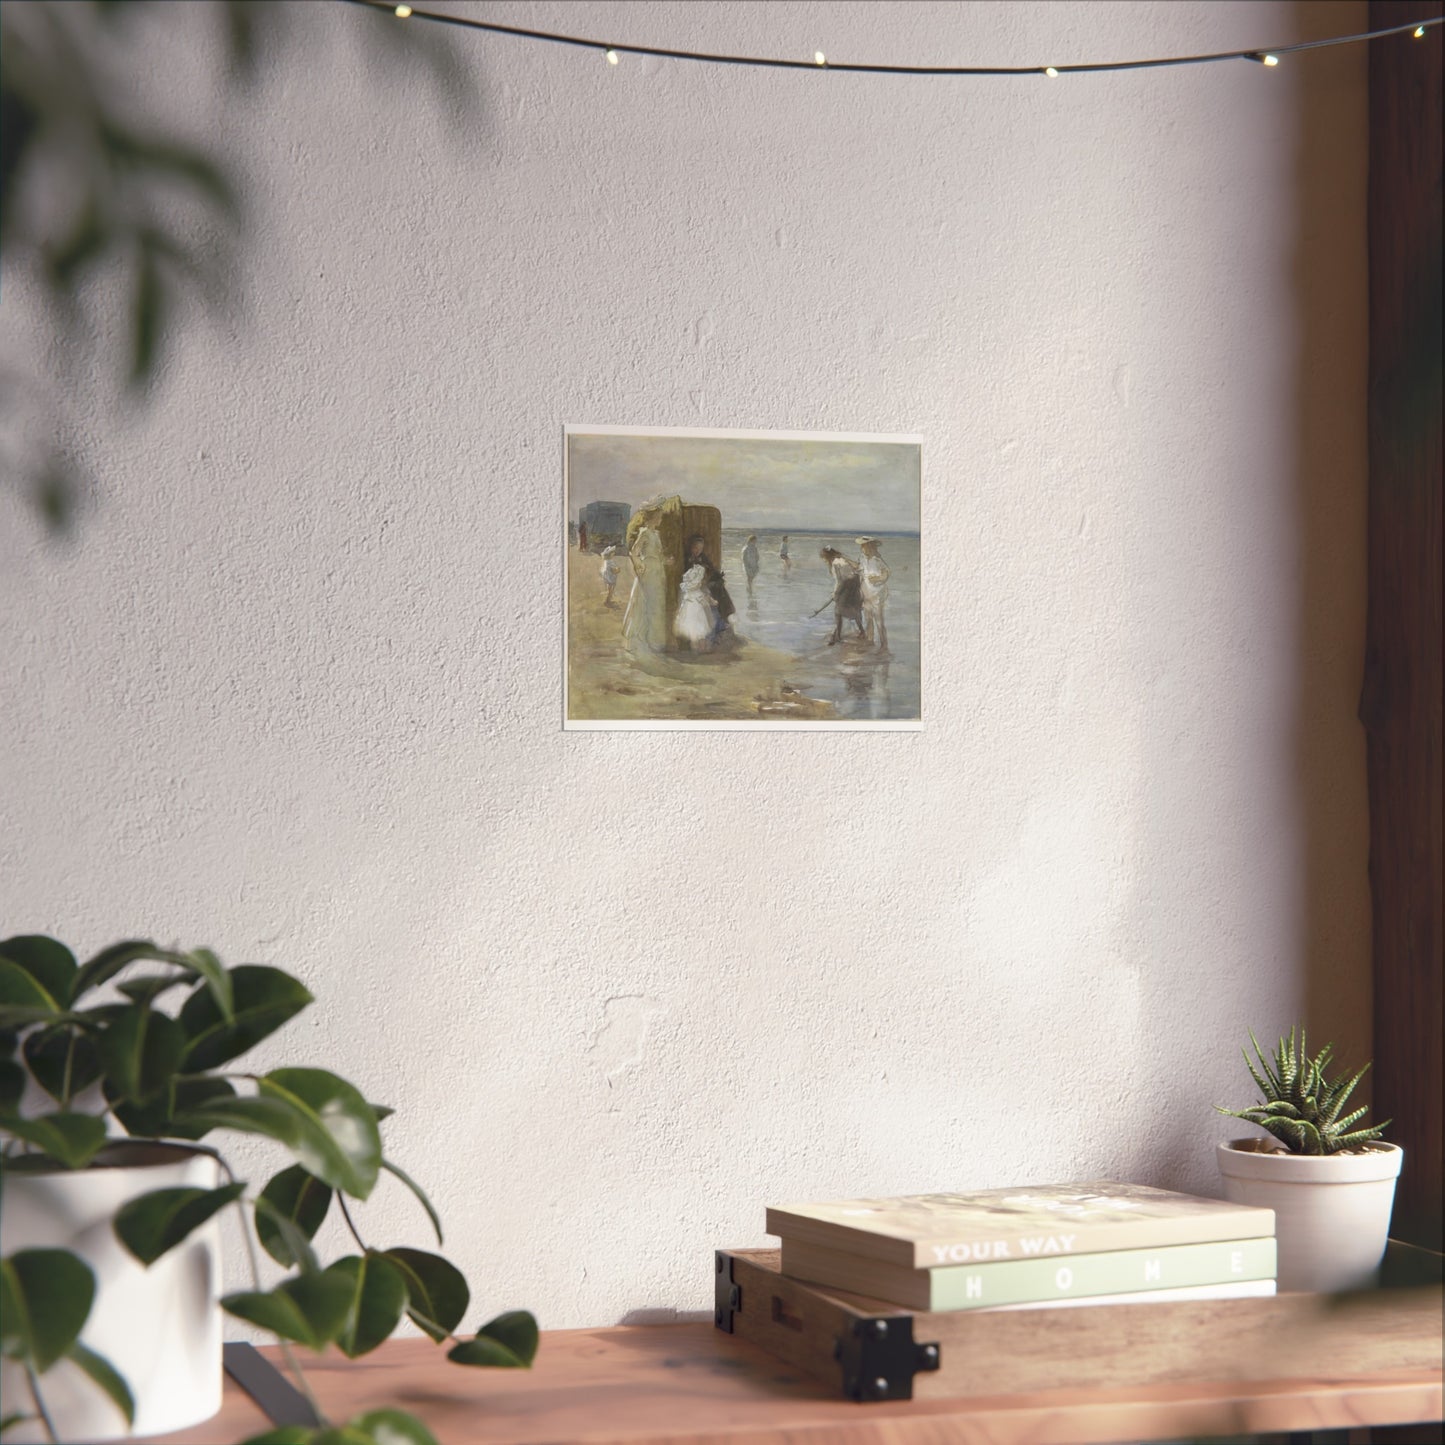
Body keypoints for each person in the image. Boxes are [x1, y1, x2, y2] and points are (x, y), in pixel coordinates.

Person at [622, 510, 666, 653]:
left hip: (657, 571)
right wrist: (639, 566)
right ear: (652, 518)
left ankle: (652, 640)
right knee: (644, 602)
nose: (660, 519)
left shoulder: (656, 534)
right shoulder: (645, 533)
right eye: (659, 516)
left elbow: (657, 555)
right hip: (648, 572)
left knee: (655, 604)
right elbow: (633, 552)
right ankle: (638, 640)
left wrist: (665, 561)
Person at [684, 534, 735, 642]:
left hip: (705, 582)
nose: (698, 551)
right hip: (697, 585)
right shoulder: (688, 559)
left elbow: (711, 568)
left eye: (700, 549)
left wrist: (718, 576)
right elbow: (690, 577)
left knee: (720, 588)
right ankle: (720, 623)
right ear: (691, 547)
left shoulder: (703, 557)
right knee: (714, 591)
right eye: (696, 548)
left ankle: (725, 616)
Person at [819, 546, 865, 646]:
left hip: (846, 586)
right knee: (855, 609)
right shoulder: (843, 559)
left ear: (827, 557)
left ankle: (837, 636)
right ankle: (862, 631)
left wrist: (835, 593)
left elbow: (840, 580)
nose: (824, 561)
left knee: (838, 611)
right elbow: (856, 570)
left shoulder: (835, 563)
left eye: (823, 558)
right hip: (855, 584)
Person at [857, 536, 890, 651]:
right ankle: (870, 640)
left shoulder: (877, 559)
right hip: (866, 592)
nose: (862, 548)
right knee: (868, 618)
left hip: (877, 593)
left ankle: (884, 645)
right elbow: (860, 571)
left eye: (864, 546)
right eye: (862, 546)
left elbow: (886, 574)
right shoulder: (862, 558)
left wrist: (877, 578)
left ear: (870, 547)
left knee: (879, 620)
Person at [675, 564, 717, 650]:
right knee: (701, 632)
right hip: (697, 615)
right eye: (701, 580)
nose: (702, 582)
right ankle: (701, 648)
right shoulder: (698, 593)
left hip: (689, 615)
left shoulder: (688, 594)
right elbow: (705, 601)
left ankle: (695, 648)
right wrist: (713, 602)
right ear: (697, 583)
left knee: (693, 633)